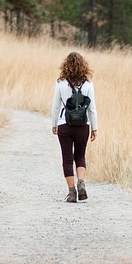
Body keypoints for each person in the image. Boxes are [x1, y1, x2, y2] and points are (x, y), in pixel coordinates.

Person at [51, 51, 98, 203]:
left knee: (67, 159)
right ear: (83, 66)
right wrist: (94, 128)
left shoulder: (60, 83)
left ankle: (72, 192)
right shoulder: (88, 84)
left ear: (66, 66)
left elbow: (55, 107)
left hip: (64, 124)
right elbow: (92, 108)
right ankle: (81, 182)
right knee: (80, 156)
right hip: (83, 125)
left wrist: (54, 124)